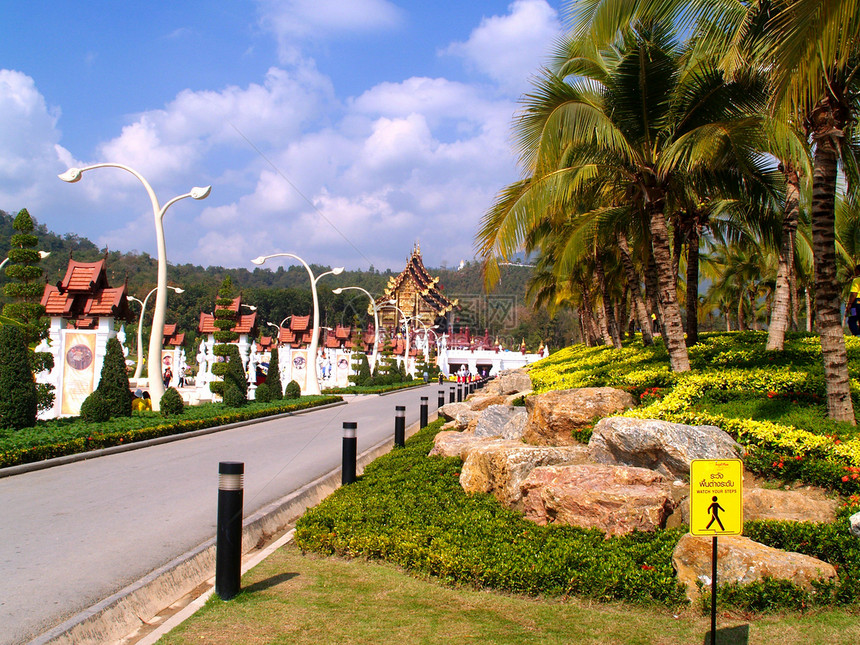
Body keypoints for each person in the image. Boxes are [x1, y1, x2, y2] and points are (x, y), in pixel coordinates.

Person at [846, 265, 860, 335]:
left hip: (857, 303)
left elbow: (853, 294)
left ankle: (857, 335)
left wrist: (849, 304)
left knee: (852, 319)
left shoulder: (856, 280)